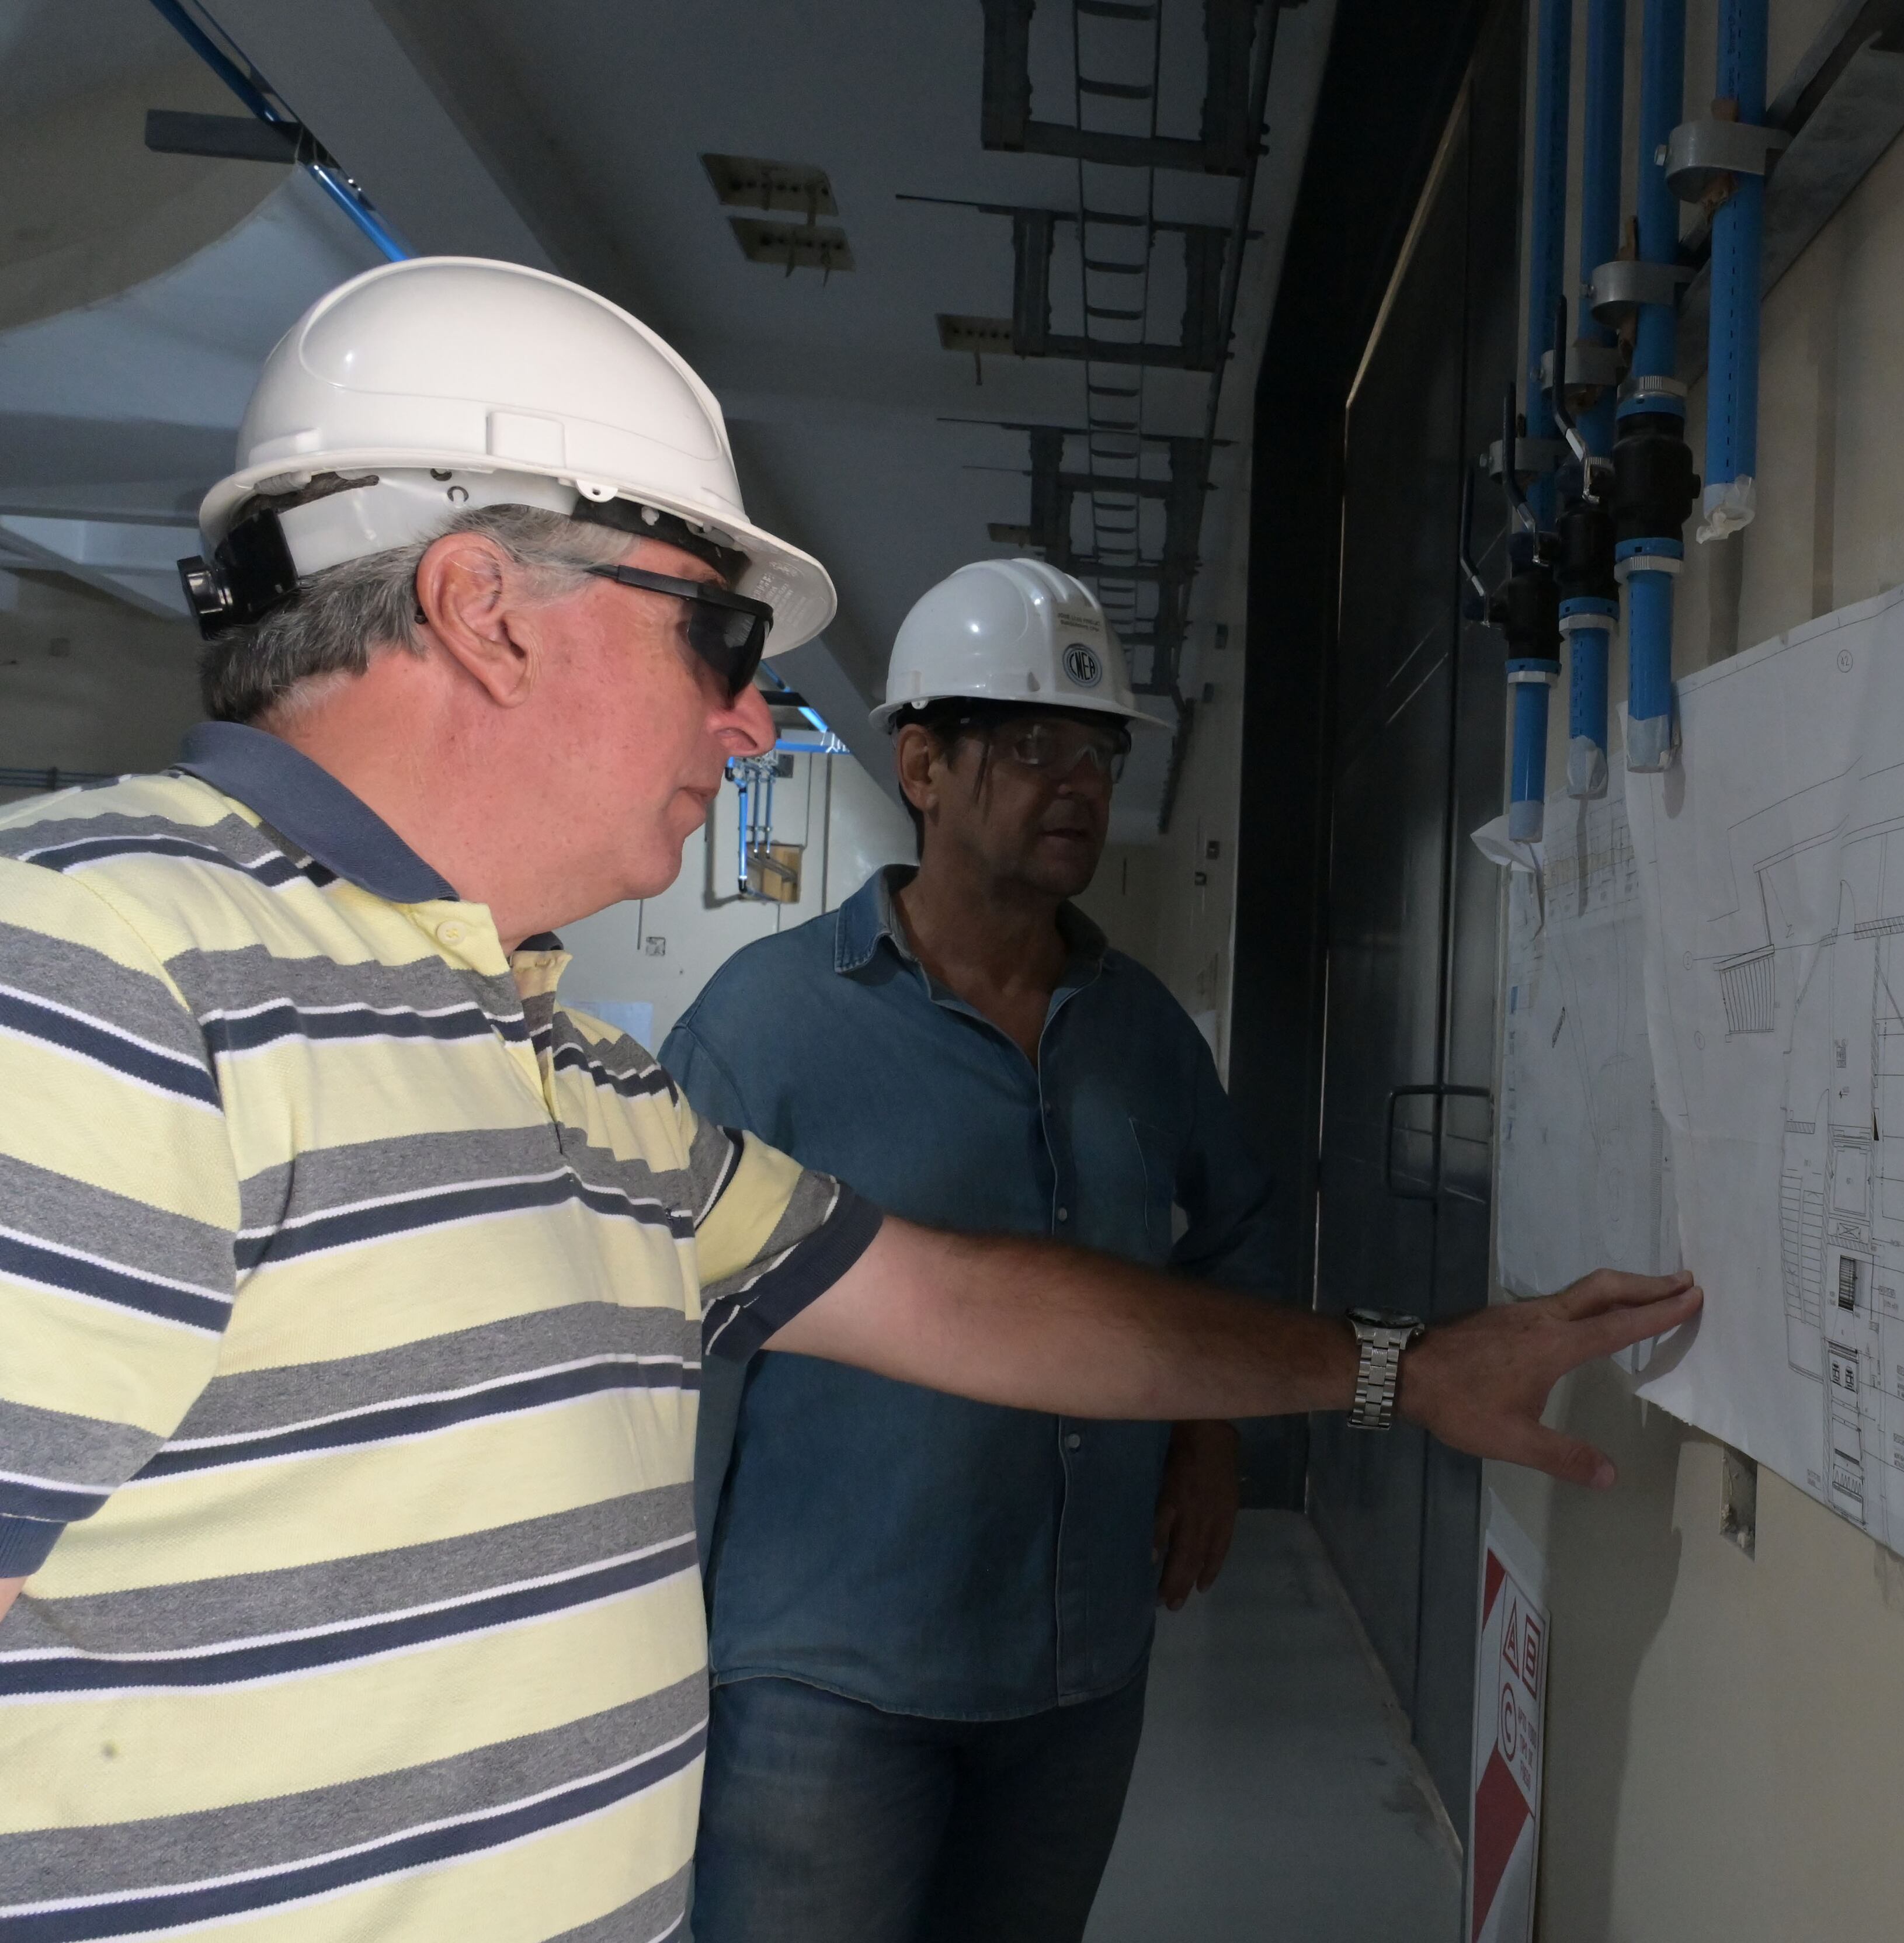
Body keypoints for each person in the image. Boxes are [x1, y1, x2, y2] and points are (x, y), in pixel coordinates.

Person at [0, 256, 1701, 1943]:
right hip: (832, 1672)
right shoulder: (99, 979)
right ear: (484, 607)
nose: (751, 726)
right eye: (719, 638)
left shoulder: (577, 1083)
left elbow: (962, 1303)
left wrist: (1407, 1369)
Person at [662, 559, 1265, 1940]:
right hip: (824, 1673)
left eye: (1098, 750)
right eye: (1034, 743)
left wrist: (1209, 1432)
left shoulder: (1140, 1033)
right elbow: (659, 1341)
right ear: (924, 764)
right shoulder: (766, 1025)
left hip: (1075, 1666)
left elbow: (1234, 1221)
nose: (1079, 782)